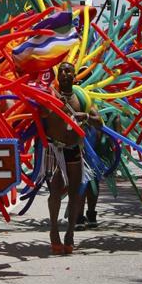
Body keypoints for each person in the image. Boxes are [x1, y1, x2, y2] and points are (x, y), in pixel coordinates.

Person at [43, 62, 97, 254]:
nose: (65, 74)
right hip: (54, 149)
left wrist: (87, 117)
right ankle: (54, 231)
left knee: (75, 193)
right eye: (61, 71)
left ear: (75, 76)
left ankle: (70, 233)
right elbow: (39, 114)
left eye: (69, 71)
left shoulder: (82, 98)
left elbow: (99, 123)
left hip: (74, 149)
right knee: (55, 191)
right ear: (57, 75)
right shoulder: (49, 95)